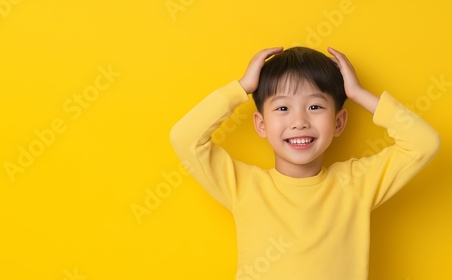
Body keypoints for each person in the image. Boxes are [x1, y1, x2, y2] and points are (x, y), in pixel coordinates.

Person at [169, 46, 440, 279]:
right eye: (283, 108)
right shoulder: (243, 186)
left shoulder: (357, 184)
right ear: (261, 125)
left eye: (315, 107)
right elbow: (184, 138)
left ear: (339, 122)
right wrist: (241, 88)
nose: (299, 122)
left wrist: (357, 93)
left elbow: (423, 143)